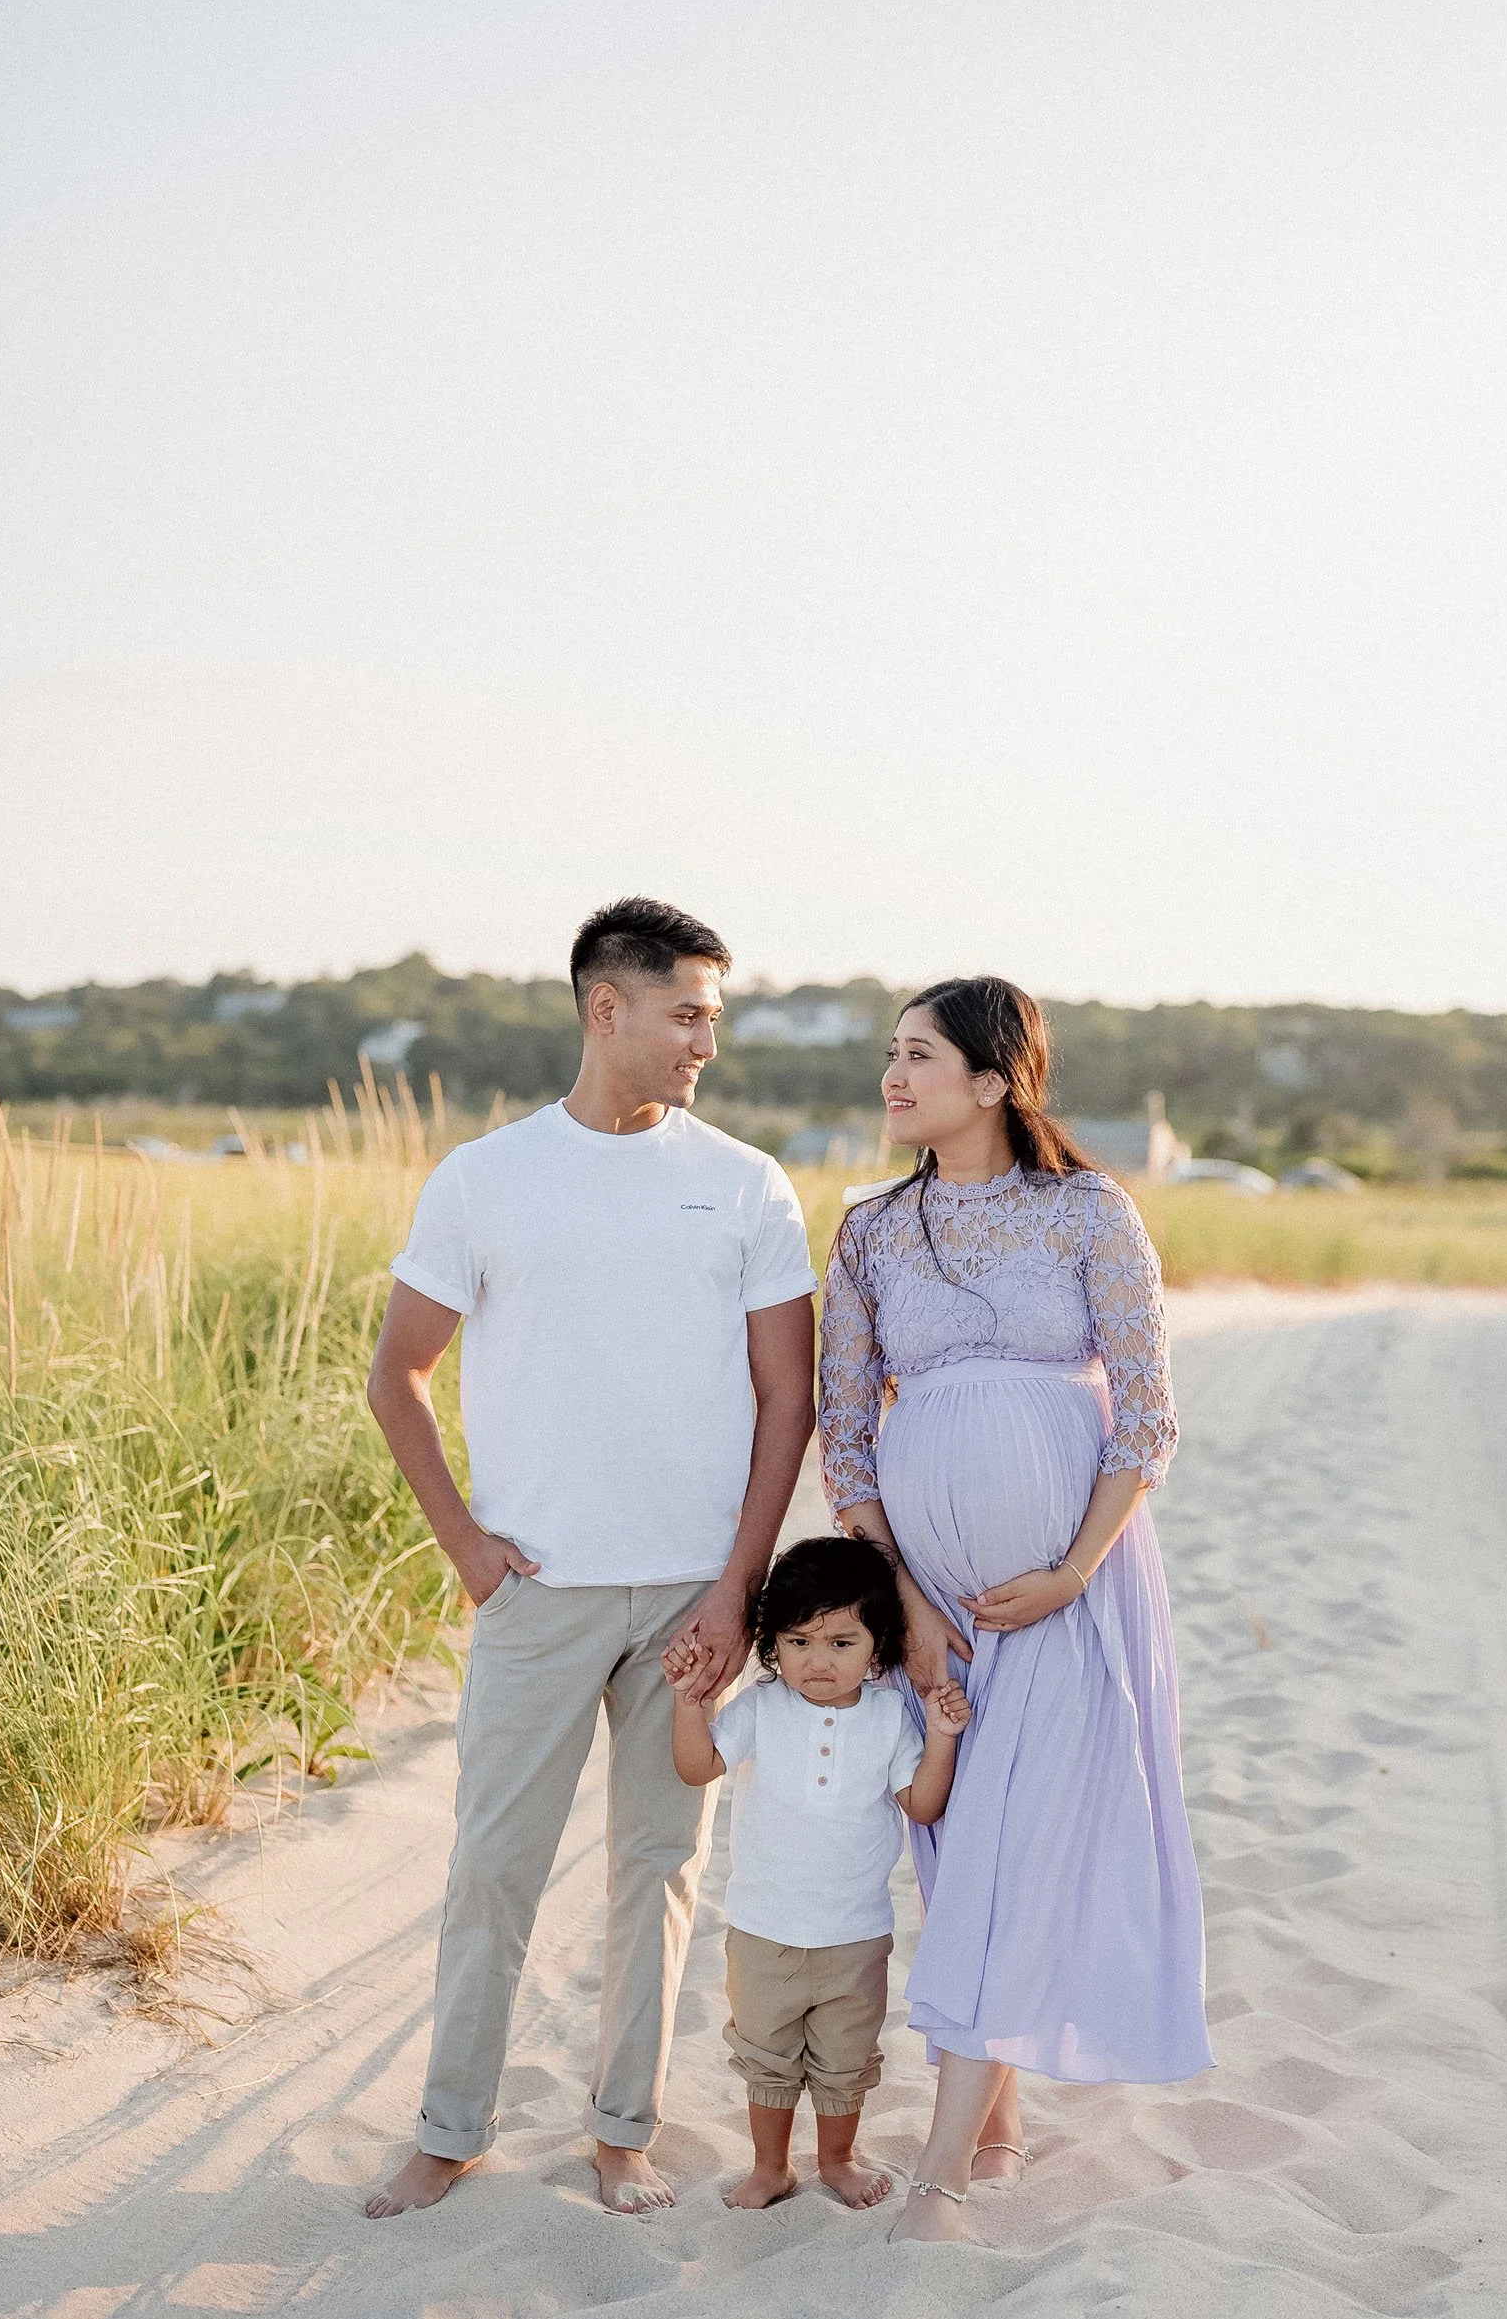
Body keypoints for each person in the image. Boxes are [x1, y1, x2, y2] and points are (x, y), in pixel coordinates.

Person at [363, 896, 817, 2219]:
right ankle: (448, 2130)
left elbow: (784, 1401)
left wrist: (737, 1590)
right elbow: (396, 1373)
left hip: (690, 1595)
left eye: (712, 1017)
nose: (703, 1042)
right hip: (538, 1592)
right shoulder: (484, 1179)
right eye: (685, 1012)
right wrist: (467, 1549)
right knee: (491, 1871)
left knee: (657, 1873)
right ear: (603, 1007)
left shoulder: (742, 1183)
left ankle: (622, 2133)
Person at [818, 976, 1213, 2243]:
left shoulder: (1090, 1211)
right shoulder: (872, 1231)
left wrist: (1074, 1570)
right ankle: (993, 2123)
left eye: (918, 1055)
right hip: (930, 1599)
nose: (893, 1076)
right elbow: (845, 1435)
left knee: (1007, 1844)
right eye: (889, 1055)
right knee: (955, 1841)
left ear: (995, 1080)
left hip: (1066, 1596)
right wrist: (907, 1604)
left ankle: (935, 2173)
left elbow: (1146, 1419)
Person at [665, 1536, 969, 2211]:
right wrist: (690, 1702)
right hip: (761, 1930)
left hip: (853, 1935)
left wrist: (942, 1741)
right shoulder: (760, 1709)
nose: (818, 1661)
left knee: (844, 2063)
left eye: (840, 1642)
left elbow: (921, 1806)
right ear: (773, 1644)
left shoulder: (890, 1718)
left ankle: (837, 2159)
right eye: (798, 1642)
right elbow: (695, 1769)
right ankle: (769, 2166)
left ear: (877, 1644)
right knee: (766, 2060)